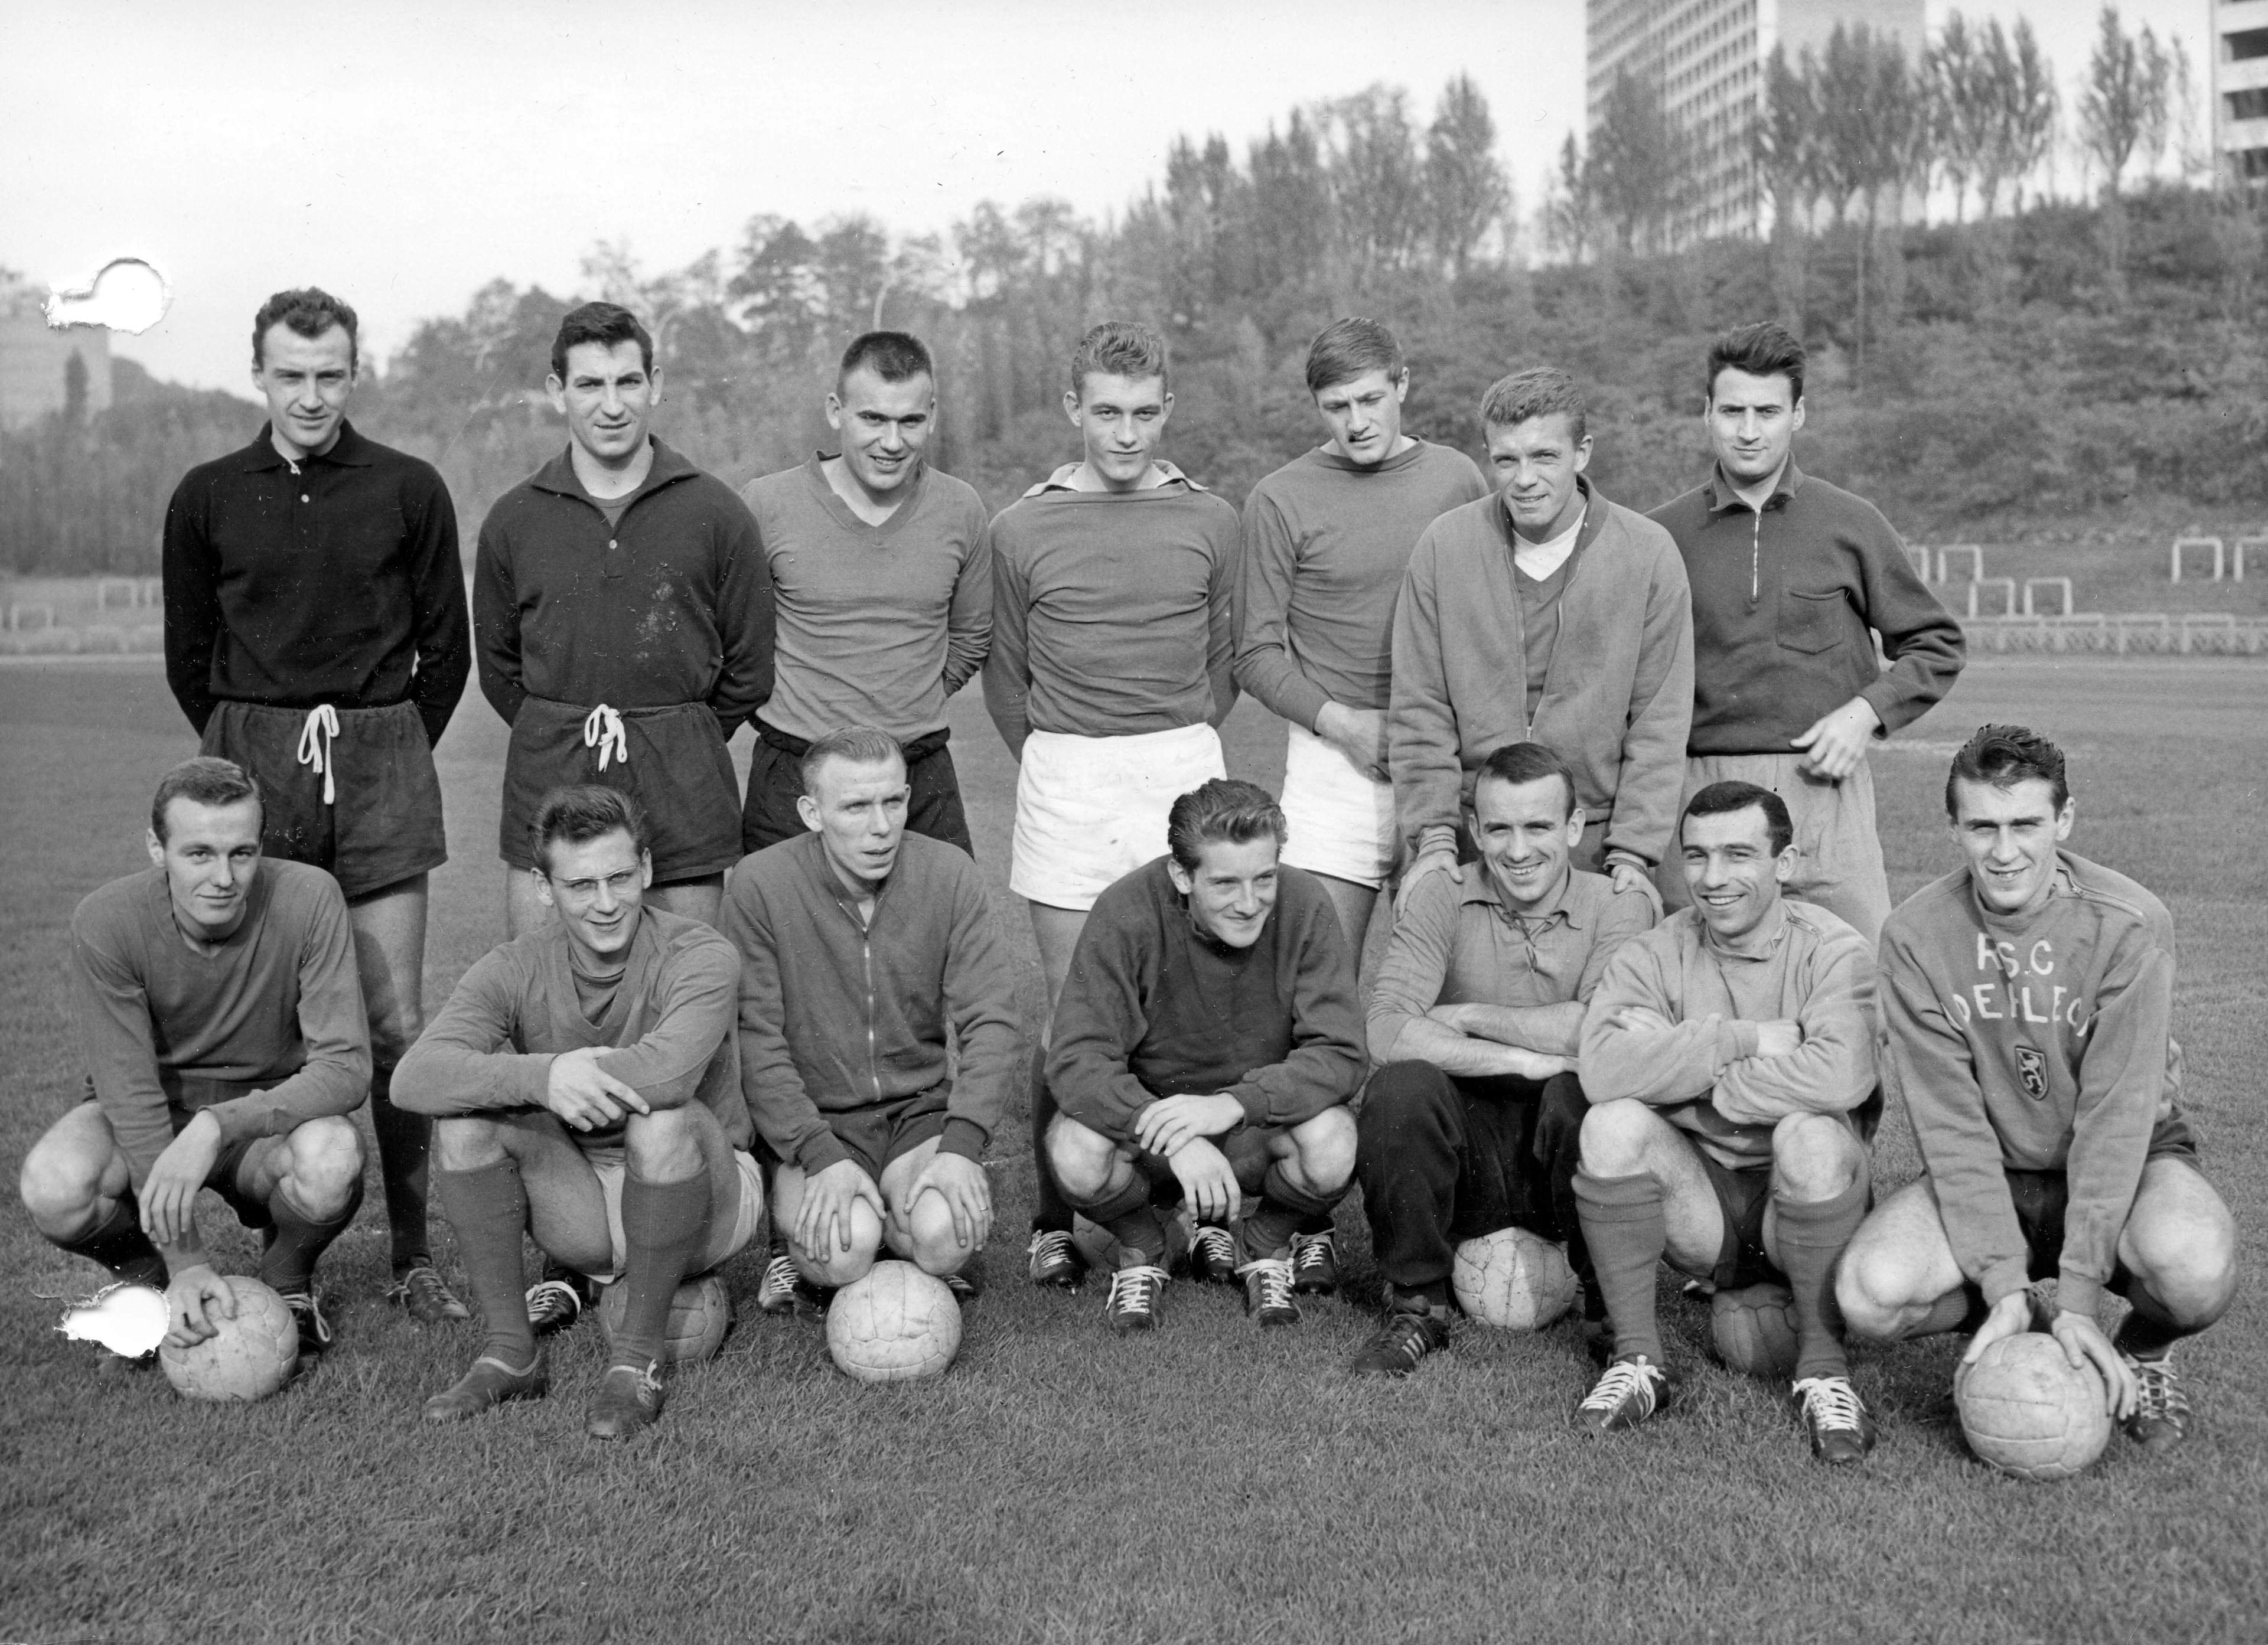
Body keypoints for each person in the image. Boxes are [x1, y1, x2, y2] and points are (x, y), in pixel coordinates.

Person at [162, 286, 470, 1324]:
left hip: (381, 760)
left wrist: (384, 745)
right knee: (269, 1020)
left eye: (329, 373)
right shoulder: (208, 493)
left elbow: (449, 651)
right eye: (290, 374)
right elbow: (188, 658)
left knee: (395, 1019)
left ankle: (414, 1254)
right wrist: (256, 744)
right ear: (258, 374)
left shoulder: (408, 486)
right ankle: (282, 1228)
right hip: (255, 758)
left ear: (355, 372)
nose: (310, 394)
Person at [1837, 726, 2237, 1450]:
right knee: (1869, 1295)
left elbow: (2116, 1120)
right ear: (1953, 826)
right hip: (1997, 1170)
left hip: (2128, 1157)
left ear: (2065, 819)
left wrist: (2083, 1291)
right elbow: (1951, 1126)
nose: (2005, 850)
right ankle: (2029, 1316)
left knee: (2197, 1266)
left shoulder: (2130, 923)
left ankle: (2139, 1350)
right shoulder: (1915, 935)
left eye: (2026, 823)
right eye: (1982, 826)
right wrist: (2002, 1283)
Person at [983, 321, 1240, 1290]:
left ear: (1167, 409)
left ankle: (1207, 1213)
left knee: (1195, 1005)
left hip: (1179, 761)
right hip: (1069, 775)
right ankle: (1057, 1218)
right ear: (1072, 411)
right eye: (1106, 413)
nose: (1125, 433)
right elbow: (1007, 681)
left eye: (1143, 413)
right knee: (1075, 1009)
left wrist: (1166, 739)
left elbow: (1225, 664)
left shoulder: (1213, 518)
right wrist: (1069, 753)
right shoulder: (1022, 528)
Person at [396, 786, 762, 1438]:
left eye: (621, 877)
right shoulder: (513, 966)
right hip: (585, 1196)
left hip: (708, 1189)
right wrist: (544, 1074)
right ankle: (511, 1353)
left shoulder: (701, 952)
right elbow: (415, 1077)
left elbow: (671, 1071)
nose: (605, 901)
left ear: (647, 869)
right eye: (581, 883)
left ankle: (637, 1362)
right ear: (543, 886)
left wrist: (566, 1076)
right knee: (462, 1122)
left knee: (662, 1110)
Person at [1570, 781, 1881, 1465]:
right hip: (1702, 1204)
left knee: (1811, 1131)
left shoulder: (1835, 949)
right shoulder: (1656, 951)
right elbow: (1602, 1071)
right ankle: (1638, 1363)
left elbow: (1839, 1077)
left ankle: (1825, 1372)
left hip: (1799, 1195)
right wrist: (1742, 1039)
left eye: (1739, 854)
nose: (1713, 878)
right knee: (1612, 1124)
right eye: (1697, 856)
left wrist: (1683, 1069)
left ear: (1786, 862)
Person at [19, 758, 369, 1362]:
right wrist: (186, 1262)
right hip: (152, 1114)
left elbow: (347, 1066)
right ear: (157, 848)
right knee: (54, 1182)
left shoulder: (311, 897)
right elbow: (129, 1093)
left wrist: (219, 1124)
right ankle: (150, 1288)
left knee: (333, 1157)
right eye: (199, 853)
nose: (225, 876)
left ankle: (284, 1283)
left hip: (261, 1121)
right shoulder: (107, 920)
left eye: (242, 852)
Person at [1648, 322, 1964, 946]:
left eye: (1767, 411)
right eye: (1732, 410)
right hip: (1697, 790)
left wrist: (1867, 712)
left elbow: (1936, 641)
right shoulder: (1660, 536)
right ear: (1706, 413)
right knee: (1694, 981)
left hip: (1825, 792)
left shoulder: (1850, 522)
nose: (1748, 429)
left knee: (1861, 976)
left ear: (1798, 414)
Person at [474, 299, 774, 942]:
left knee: (686, 1001)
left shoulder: (717, 511)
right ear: (558, 392)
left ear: (655, 384)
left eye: (627, 382)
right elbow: (501, 673)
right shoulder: (513, 517)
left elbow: (750, 667)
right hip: (551, 780)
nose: (612, 406)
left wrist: (678, 733)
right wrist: (561, 729)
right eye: (590, 384)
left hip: (682, 792)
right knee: (547, 996)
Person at [1350, 742, 1654, 1376]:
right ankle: (1417, 1305)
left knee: (1588, 1095)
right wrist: (1534, 1056)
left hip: (1559, 1157)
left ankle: (1609, 1313)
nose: (1518, 851)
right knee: (1400, 1088)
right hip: (1465, 1160)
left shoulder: (1617, 903)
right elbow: (1386, 1028)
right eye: (1499, 829)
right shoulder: (1442, 893)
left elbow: (1601, 1032)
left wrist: (1466, 1014)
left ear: (1574, 827)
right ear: (1474, 830)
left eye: (1538, 826)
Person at [1045, 779, 1363, 1333]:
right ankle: (1145, 1247)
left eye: (1264, 878)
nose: (1249, 903)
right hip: (1160, 1139)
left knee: (1335, 1139)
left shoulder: (1306, 903)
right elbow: (1076, 1059)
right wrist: (1169, 1130)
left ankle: (1262, 1243)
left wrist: (1233, 1105)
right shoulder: (1126, 908)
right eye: (1224, 883)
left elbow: (1340, 1051)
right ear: (1181, 875)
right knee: (1074, 1148)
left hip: (1254, 1131)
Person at [720, 727, 1021, 1300]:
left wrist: (961, 1147)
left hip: (918, 1114)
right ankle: (826, 1231)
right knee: (840, 1251)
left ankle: (904, 1221)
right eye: (856, 806)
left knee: (945, 1236)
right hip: (817, 1120)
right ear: (812, 811)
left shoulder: (950, 873)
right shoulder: (760, 883)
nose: (881, 826)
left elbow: (992, 1020)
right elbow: (755, 1038)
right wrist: (818, 1153)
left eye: (894, 800)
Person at [1390, 366, 1691, 924]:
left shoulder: (1647, 553)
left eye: (1544, 457)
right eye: (1506, 460)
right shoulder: (1444, 547)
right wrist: (1433, 841)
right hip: (1472, 839)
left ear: (1583, 453)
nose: (1524, 479)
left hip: (1596, 843)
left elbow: (1659, 721)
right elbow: (1420, 708)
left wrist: (1633, 853)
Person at [1234, 317, 1489, 950]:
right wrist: (1343, 724)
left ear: (1403, 383)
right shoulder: (1278, 498)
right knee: (1317, 985)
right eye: (1336, 407)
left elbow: (1491, 617)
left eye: (1371, 399)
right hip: (1332, 764)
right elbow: (1255, 653)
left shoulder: (1457, 479)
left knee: (1448, 980)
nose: (1356, 422)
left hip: (1443, 756)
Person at [737, 330, 990, 857]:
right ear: (836, 410)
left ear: (933, 416)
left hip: (918, 771)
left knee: (937, 934)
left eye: (910, 421)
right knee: (785, 936)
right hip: (796, 771)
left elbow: (971, 636)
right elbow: (735, 636)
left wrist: (908, 699)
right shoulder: (767, 504)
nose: (892, 442)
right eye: (872, 419)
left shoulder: (961, 508)